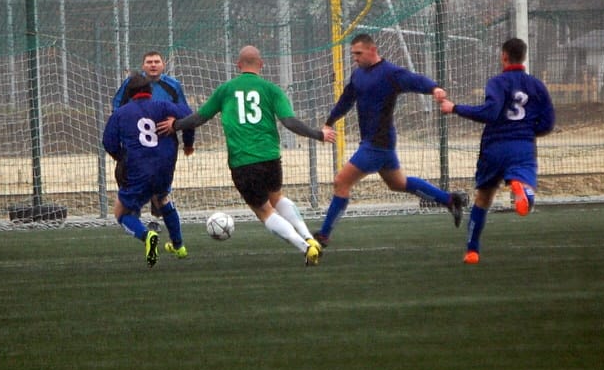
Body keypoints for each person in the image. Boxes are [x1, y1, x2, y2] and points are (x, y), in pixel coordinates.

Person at [157, 45, 336, 266]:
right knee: (277, 197)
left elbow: (199, 118)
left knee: (263, 210)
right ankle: (309, 238)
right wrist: (319, 134)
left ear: (238, 65)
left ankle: (306, 247)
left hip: (243, 162)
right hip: (270, 157)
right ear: (261, 65)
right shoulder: (272, 89)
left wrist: (175, 125)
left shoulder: (226, 89)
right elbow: (289, 122)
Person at [313, 33, 468, 247]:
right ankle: (450, 200)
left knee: (341, 181)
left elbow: (414, 80)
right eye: (353, 54)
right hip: (379, 144)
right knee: (398, 183)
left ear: (372, 50)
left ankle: (323, 235)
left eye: (358, 53)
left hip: (377, 144)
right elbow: (346, 100)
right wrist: (330, 121)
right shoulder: (358, 75)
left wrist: (434, 88)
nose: (355, 58)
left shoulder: (390, 73)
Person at [440, 37, 555, 264]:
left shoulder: (497, 82)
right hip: (522, 146)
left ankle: (472, 251)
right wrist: (528, 131)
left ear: (504, 56)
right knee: (524, 183)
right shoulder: (537, 85)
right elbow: (548, 123)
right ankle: (521, 189)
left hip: (494, 147)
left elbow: (490, 113)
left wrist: (455, 108)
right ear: (524, 57)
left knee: (483, 198)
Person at [103, 75, 196, 267]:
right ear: (150, 91)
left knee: (121, 212)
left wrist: (123, 158)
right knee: (162, 198)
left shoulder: (120, 113)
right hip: (165, 166)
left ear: (129, 94)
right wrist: (179, 129)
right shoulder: (163, 107)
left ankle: (147, 236)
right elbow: (190, 116)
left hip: (138, 169)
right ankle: (178, 246)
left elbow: (109, 143)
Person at [112, 50, 194, 219]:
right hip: (136, 145)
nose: (153, 65)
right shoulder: (131, 84)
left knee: (160, 189)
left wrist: (187, 141)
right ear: (143, 66)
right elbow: (117, 110)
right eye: (149, 62)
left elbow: (186, 114)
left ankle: (157, 218)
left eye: (157, 61)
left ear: (163, 65)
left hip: (164, 143)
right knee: (131, 182)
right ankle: (134, 217)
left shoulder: (173, 85)